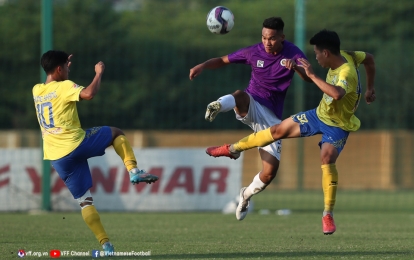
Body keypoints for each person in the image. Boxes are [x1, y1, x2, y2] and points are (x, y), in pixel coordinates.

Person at [206, 29, 376, 235]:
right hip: (319, 115)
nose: (314, 56)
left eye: (316, 53)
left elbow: (337, 94)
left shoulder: (345, 72)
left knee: (327, 157)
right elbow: (369, 59)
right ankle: (232, 149)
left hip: (338, 125)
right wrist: (370, 88)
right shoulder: (349, 54)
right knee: (276, 130)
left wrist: (312, 75)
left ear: (326, 54)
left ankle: (327, 214)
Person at [33, 50, 159, 255]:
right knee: (116, 133)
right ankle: (133, 171)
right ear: (58, 69)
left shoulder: (37, 90)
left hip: (57, 156)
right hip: (75, 142)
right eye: (65, 66)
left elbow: (55, 85)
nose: (67, 69)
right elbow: (89, 94)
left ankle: (106, 245)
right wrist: (98, 73)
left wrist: (63, 65)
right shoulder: (64, 86)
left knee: (85, 201)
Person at [189, 16, 313, 220]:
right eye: (264, 37)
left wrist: (297, 68)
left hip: (272, 120)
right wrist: (202, 66)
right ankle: (218, 105)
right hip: (252, 103)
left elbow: (310, 77)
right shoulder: (253, 51)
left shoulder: (294, 53)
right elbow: (222, 60)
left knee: (269, 173)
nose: (267, 42)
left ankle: (245, 196)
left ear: (282, 37)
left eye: (272, 38)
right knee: (240, 95)